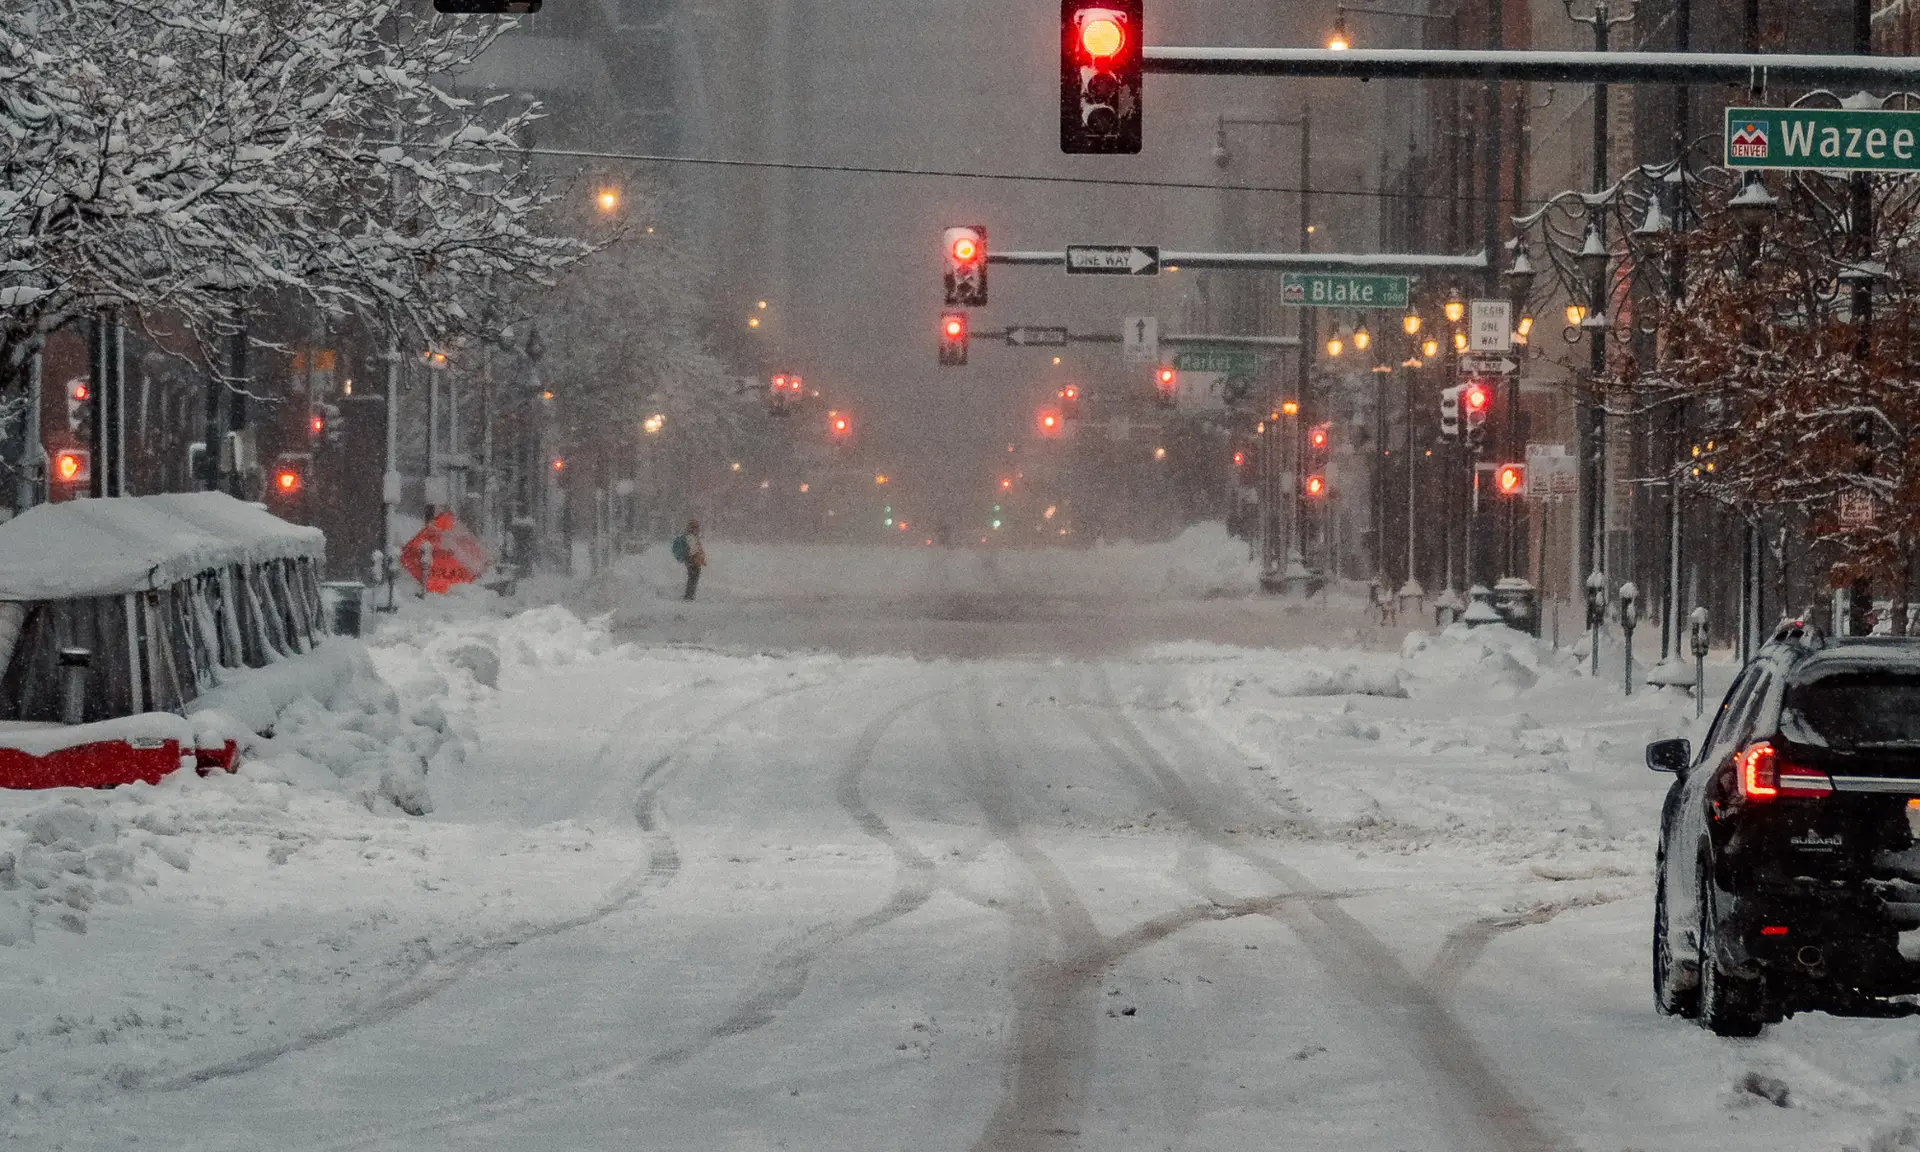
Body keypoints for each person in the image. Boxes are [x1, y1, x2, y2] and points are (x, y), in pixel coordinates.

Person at [671, 519, 706, 601]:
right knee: (693, 579)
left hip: (691, 561)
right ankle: (689, 597)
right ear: (693, 528)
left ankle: (689, 596)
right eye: (696, 527)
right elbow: (694, 550)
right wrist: (698, 558)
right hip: (693, 562)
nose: (698, 529)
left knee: (692, 579)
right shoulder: (691, 537)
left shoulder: (690, 537)